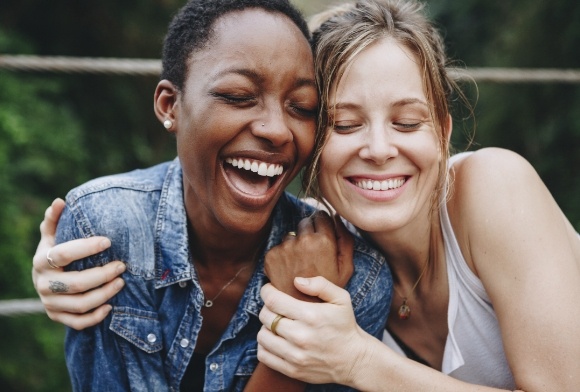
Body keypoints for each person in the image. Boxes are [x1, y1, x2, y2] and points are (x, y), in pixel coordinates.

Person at [31, 1, 392, 391]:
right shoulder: (107, 231)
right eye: (239, 96)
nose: (277, 129)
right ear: (170, 106)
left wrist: (305, 312)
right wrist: (295, 328)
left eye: (301, 107)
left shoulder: (354, 282)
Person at [255, 0, 580, 391]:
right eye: (344, 125)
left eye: (407, 123)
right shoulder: (319, 247)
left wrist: (359, 361)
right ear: (310, 145)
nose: (378, 149)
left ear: (442, 134)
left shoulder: (496, 184)